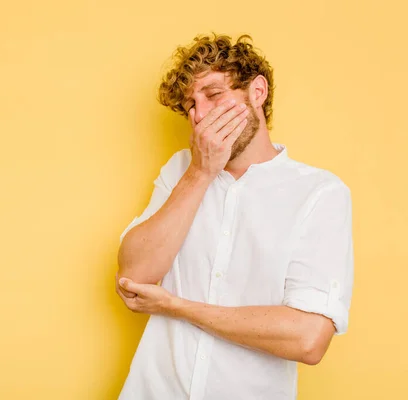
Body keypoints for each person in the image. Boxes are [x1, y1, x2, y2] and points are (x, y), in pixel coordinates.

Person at [114, 32, 354, 400]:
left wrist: (176, 306)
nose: (202, 115)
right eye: (191, 106)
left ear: (257, 92)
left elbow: (308, 339)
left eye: (213, 95)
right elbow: (134, 276)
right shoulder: (180, 170)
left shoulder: (320, 193)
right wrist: (200, 173)